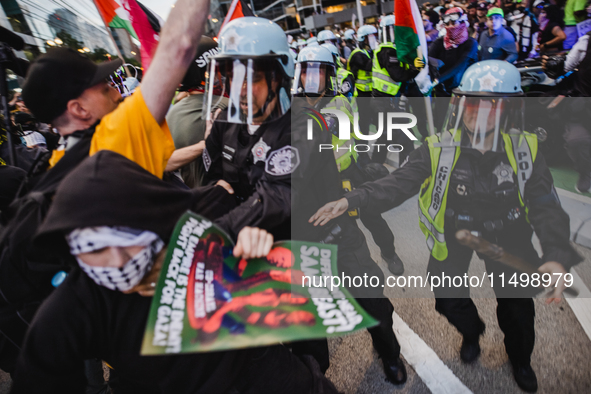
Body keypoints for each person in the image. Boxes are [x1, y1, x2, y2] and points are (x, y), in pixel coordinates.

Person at [310, 60, 582, 393]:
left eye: (488, 104)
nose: (474, 111)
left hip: (509, 236)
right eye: (469, 101)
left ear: (509, 108)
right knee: (448, 299)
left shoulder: (525, 147)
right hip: (454, 234)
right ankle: (472, 332)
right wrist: (351, 201)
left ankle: (520, 358)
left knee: (518, 308)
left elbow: (545, 205)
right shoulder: (437, 147)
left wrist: (555, 254)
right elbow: (396, 183)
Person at [10, 150, 338, 394]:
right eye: (96, 250)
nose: (118, 261)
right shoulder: (73, 307)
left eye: (129, 241)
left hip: (256, 369)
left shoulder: (196, 238)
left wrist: (258, 254)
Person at [0, 0, 211, 376]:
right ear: (79, 109)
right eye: (104, 87)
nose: (117, 93)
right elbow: (179, 44)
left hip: (133, 349)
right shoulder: (116, 135)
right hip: (190, 331)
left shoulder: (53, 170)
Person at [290, 47, 408, 386]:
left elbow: (345, 148)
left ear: (329, 74)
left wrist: (349, 176)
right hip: (302, 224)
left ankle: (389, 354)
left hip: (341, 203)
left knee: (372, 298)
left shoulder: (338, 104)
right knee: (306, 321)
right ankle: (315, 378)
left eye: (319, 72)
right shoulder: (288, 112)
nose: (311, 79)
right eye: (305, 71)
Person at [166, 37, 227, 188]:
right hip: (227, 199)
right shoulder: (227, 107)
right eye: (220, 68)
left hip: (195, 201)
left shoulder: (171, 115)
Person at [541, 31, 591, 192]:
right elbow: (565, 67)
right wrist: (551, 65)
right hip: (584, 106)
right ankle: (586, 172)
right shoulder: (585, 42)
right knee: (576, 140)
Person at [430, 7, 479, 96]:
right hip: (442, 89)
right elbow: (429, 59)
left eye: (453, 23)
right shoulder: (439, 42)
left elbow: (460, 65)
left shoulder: (471, 43)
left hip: (463, 89)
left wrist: (437, 80)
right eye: (447, 24)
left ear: (463, 23)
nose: (450, 27)